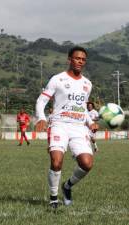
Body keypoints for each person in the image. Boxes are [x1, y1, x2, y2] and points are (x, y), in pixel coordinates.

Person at [35, 46, 98, 209]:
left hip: (78, 127)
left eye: (83, 59)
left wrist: (90, 123)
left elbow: (82, 107)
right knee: (56, 162)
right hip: (59, 125)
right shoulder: (57, 79)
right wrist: (41, 118)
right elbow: (41, 101)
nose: (80, 62)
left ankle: (67, 186)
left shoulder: (87, 84)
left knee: (87, 164)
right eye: (77, 58)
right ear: (69, 59)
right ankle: (54, 198)